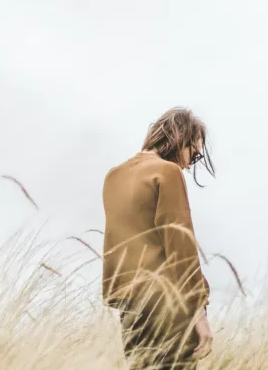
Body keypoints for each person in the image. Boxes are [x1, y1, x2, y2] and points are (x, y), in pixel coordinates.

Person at [102, 107, 215, 370]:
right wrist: (199, 312)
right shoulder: (167, 172)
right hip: (169, 306)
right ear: (180, 138)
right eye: (194, 154)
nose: (189, 164)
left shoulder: (113, 177)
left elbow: (115, 246)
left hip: (131, 310)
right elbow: (181, 246)